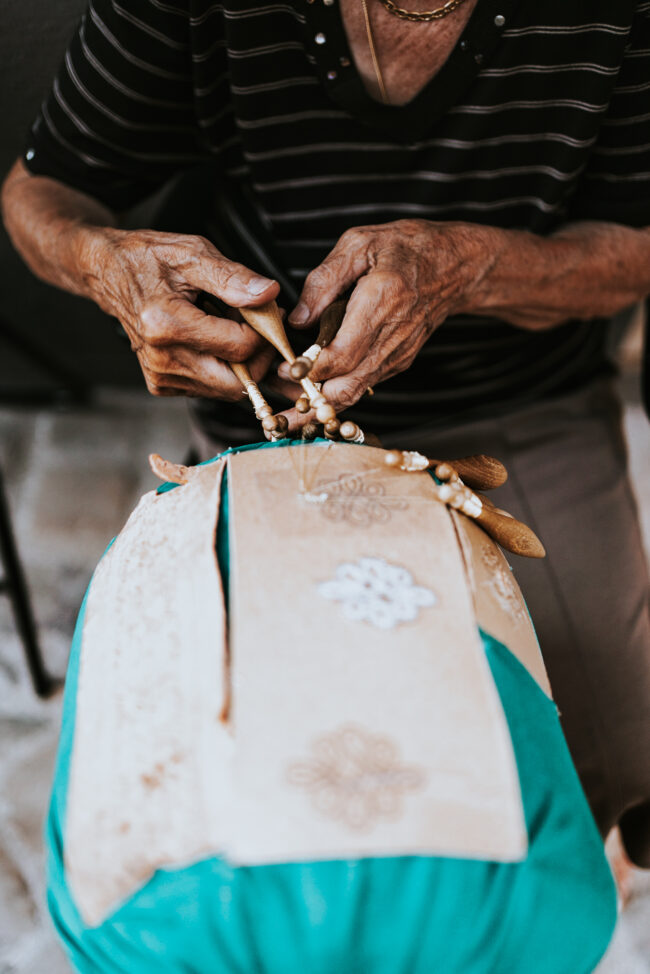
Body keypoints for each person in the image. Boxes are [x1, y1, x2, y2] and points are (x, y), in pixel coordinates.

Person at [1, 0, 650, 866]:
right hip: (267, 430)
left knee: (593, 769)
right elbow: (38, 193)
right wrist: (107, 269)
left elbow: (633, 249)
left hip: (519, 405)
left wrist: (468, 268)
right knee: (226, 793)